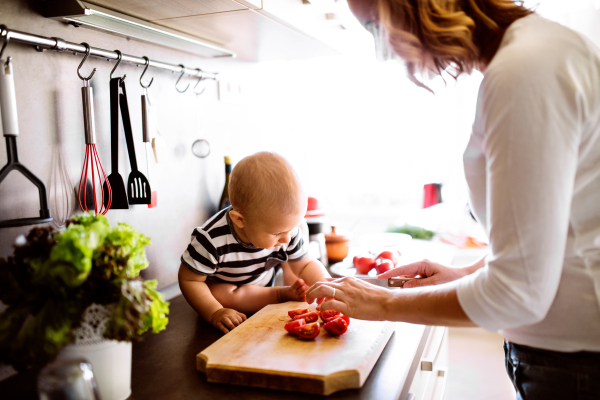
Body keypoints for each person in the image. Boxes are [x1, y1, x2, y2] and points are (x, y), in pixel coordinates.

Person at [306, 0, 600, 398]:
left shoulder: (525, 70)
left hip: (575, 367)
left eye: (376, 27)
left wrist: (384, 303)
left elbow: (517, 295)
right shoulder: (540, 51)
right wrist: (466, 275)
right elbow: (560, 227)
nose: (384, 51)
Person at [179, 152, 330, 334]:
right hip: (226, 293)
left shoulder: (285, 229)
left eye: (293, 228)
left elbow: (305, 264)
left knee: (294, 261)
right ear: (240, 220)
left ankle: (281, 293)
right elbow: (189, 279)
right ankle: (279, 294)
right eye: (277, 233)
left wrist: (326, 285)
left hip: (261, 285)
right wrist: (214, 312)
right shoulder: (211, 239)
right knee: (221, 292)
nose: (287, 238)